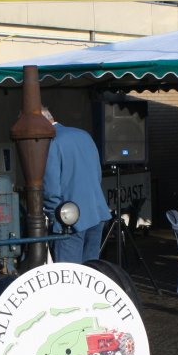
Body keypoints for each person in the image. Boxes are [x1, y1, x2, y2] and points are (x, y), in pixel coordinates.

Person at [41, 107, 111, 264]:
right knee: (90, 271)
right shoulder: (84, 135)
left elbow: (51, 189)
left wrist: (55, 219)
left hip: (69, 220)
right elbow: (97, 175)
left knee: (69, 275)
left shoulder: (50, 142)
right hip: (96, 212)